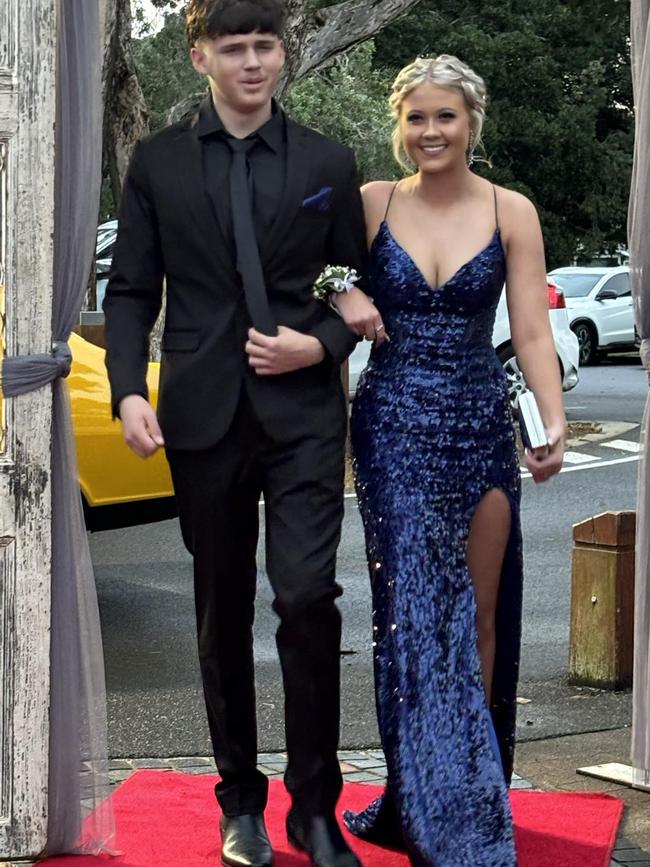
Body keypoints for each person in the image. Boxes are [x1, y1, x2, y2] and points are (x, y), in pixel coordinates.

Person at [102, 2, 370, 866]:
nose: (252, 61)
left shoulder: (328, 160)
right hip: (200, 413)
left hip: (304, 419)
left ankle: (316, 807)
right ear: (200, 55)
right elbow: (132, 289)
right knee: (222, 610)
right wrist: (124, 391)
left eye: (265, 46)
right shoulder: (158, 162)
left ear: (282, 55)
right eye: (234, 47)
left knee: (306, 598)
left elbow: (359, 291)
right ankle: (240, 803)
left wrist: (320, 344)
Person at [331, 55, 566, 865]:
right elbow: (312, 277)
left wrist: (552, 421)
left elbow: (531, 330)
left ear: (473, 123)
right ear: (400, 126)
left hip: (478, 422)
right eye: (416, 118)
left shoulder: (512, 210)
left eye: (446, 117)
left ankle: (471, 787)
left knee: (480, 614)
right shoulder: (369, 203)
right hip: (392, 424)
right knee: (413, 619)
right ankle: (424, 795)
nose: (430, 132)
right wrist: (341, 293)